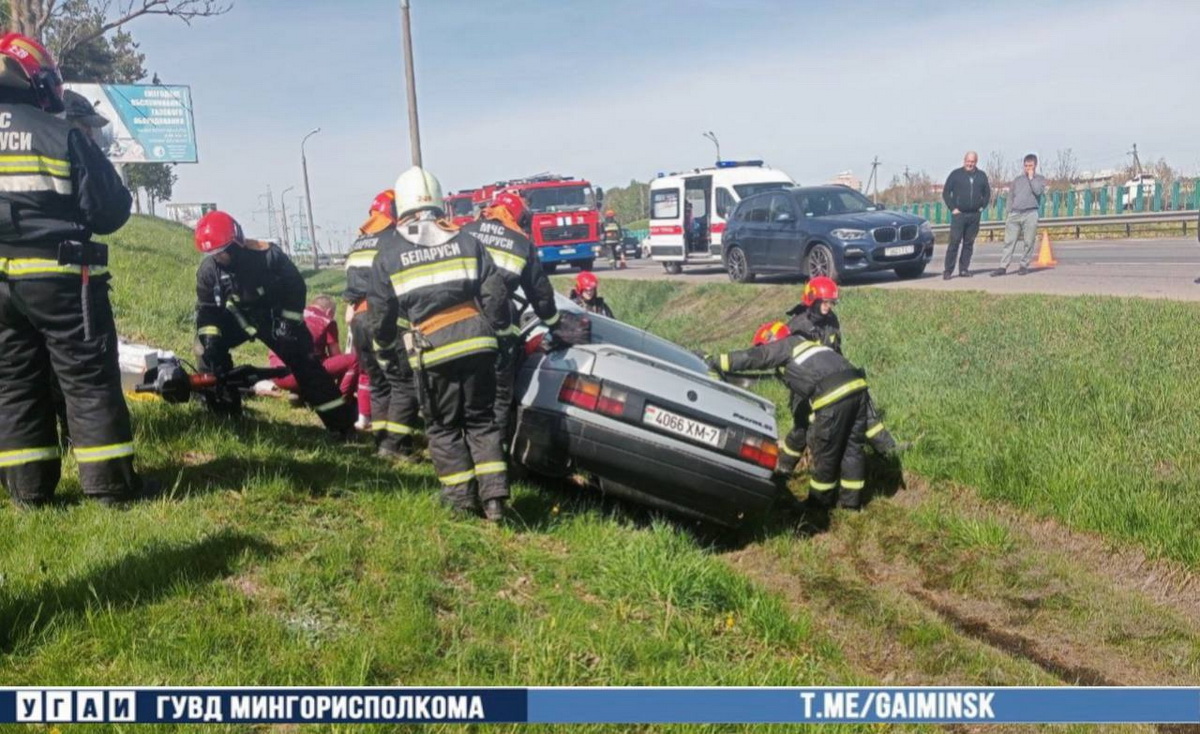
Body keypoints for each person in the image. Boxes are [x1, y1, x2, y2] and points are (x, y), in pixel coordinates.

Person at [0, 33, 154, 506]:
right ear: (38, 80)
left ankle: (28, 493)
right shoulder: (58, 132)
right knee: (87, 380)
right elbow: (109, 211)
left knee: (15, 384)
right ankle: (108, 489)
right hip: (61, 280)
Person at [366, 167, 512, 521]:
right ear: (438, 201)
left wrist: (386, 351)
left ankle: (461, 500)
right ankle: (495, 500)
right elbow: (495, 295)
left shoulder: (389, 252)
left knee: (443, 426)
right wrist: (500, 336)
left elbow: (381, 314)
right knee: (481, 421)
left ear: (402, 206)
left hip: (433, 349)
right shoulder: (466, 241)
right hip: (479, 341)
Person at [193, 210, 357, 437]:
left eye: (223, 252)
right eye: (213, 254)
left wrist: (289, 323)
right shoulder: (208, 271)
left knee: (306, 366)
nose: (219, 258)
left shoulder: (267, 255)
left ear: (236, 242)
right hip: (240, 317)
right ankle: (224, 412)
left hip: (277, 318)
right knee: (204, 350)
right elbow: (207, 309)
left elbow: (296, 288)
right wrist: (210, 339)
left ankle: (341, 425)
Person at [707, 331, 870, 510]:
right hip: (859, 388)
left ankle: (818, 507)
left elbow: (754, 358)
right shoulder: (808, 347)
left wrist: (716, 361)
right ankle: (851, 505)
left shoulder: (784, 346)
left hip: (833, 395)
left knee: (827, 455)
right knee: (852, 448)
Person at [458, 191, 561, 441]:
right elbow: (540, 294)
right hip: (498, 330)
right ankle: (497, 454)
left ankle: (462, 445)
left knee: (461, 392)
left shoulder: (465, 232)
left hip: (458, 325)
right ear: (518, 217)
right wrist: (555, 324)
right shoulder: (521, 243)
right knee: (500, 396)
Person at [781, 276, 908, 457]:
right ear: (813, 299)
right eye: (825, 302)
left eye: (831, 302)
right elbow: (789, 364)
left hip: (831, 379)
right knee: (802, 429)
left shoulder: (831, 320)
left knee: (862, 405)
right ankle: (784, 469)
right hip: (805, 387)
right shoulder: (797, 326)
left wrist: (849, 373)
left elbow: (836, 352)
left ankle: (888, 449)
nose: (829, 307)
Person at [345, 189, 422, 460]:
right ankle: (396, 446)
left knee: (378, 383)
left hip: (359, 320)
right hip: (386, 319)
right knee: (404, 383)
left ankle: (381, 441)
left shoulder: (361, 241)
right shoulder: (395, 239)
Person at [268, 294, 358, 399]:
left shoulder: (293, 313)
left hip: (276, 374)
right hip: (299, 375)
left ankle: (299, 392)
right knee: (353, 360)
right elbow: (336, 356)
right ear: (329, 312)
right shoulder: (327, 321)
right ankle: (339, 400)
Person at [993, 153, 1047, 277]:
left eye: (1030, 166)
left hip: (1030, 213)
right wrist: (1009, 211)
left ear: (1035, 165)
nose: (1028, 168)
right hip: (1015, 213)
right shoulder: (1017, 180)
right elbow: (1011, 196)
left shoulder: (1039, 179)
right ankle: (1003, 266)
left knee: (1029, 241)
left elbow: (1038, 191)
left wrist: (1031, 177)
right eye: (1026, 165)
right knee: (1009, 241)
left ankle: (1023, 265)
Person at [941, 151, 990, 279]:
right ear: (964, 161)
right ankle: (948, 270)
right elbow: (946, 192)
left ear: (976, 162)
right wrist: (953, 208)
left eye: (972, 162)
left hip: (974, 215)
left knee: (969, 243)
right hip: (959, 215)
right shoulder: (956, 174)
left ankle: (964, 269)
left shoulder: (981, 176)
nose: (970, 164)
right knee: (954, 242)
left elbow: (987, 194)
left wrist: (981, 207)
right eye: (968, 161)